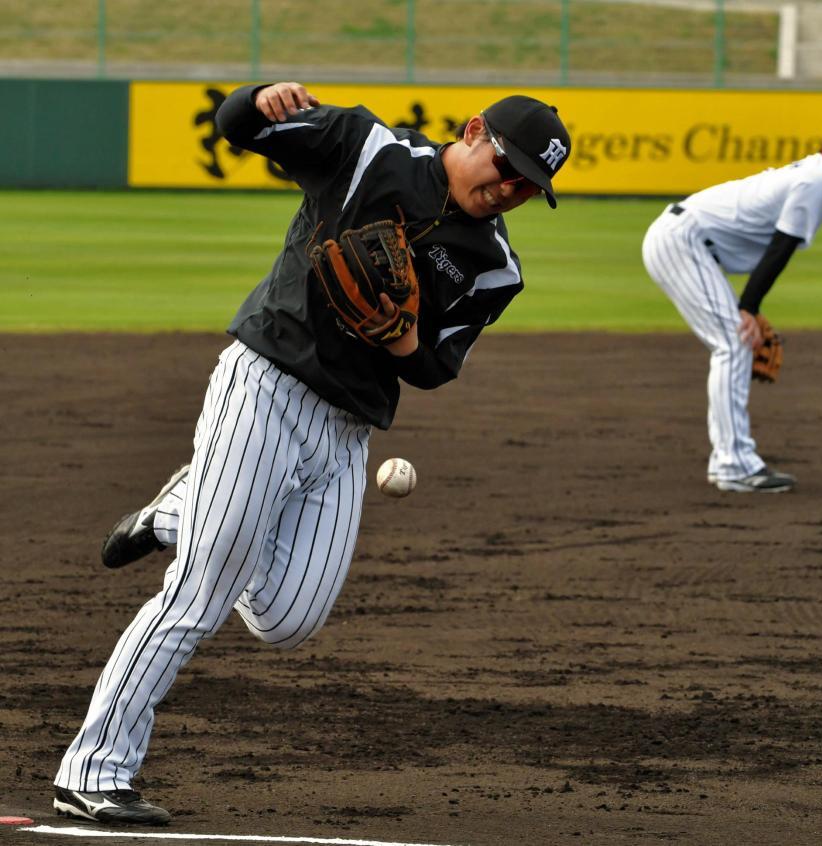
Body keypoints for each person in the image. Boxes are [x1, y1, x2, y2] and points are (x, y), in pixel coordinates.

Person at [53, 81, 571, 826]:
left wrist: (400, 338)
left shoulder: (496, 268)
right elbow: (238, 127)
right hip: (264, 385)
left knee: (289, 619)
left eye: (530, 185)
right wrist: (259, 95)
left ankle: (182, 506)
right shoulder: (366, 150)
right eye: (507, 164)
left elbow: (434, 367)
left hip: (345, 432)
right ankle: (94, 769)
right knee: (201, 591)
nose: (511, 187)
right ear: (472, 131)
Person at [642, 120, 822, 492]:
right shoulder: (817, 180)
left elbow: (773, 247)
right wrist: (748, 308)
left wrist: (747, 307)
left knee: (735, 341)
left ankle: (731, 462)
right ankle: (733, 465)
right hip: (682, 242)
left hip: (686, 242)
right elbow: (780, 249)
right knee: (735, 343)